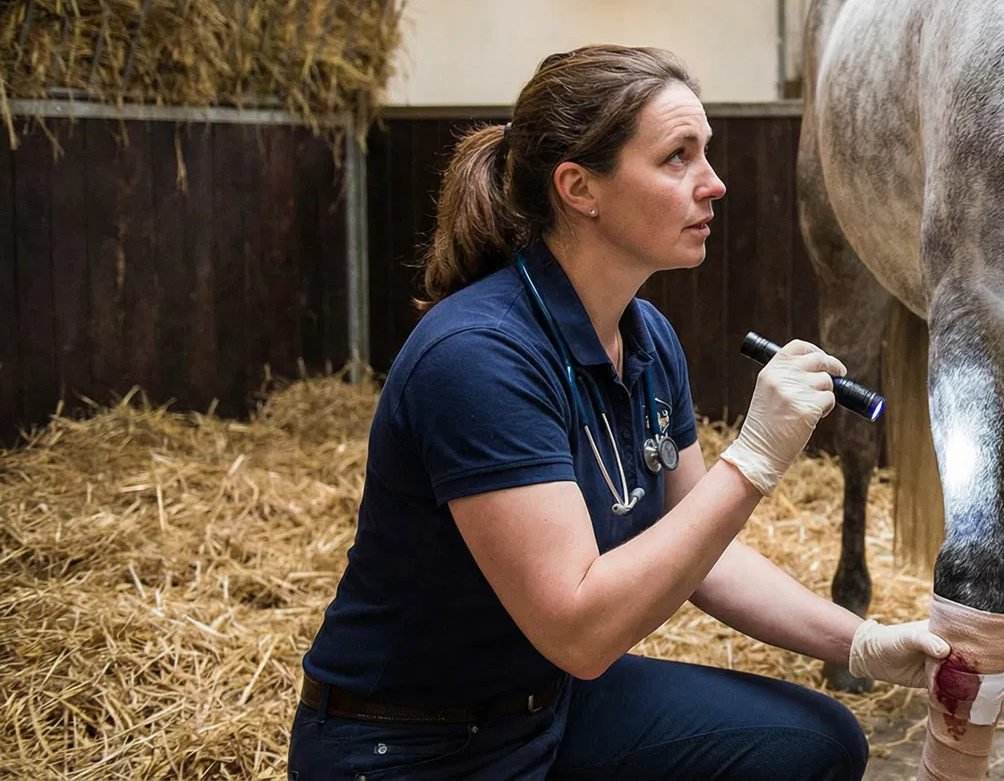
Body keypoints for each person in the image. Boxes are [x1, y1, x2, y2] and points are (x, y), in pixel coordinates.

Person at [291, 45, 947, 780]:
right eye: (678, 157)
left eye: (708, 154)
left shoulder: (645, 334)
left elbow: (704, 553)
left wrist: (859, 643)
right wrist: (754, 459)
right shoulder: (478, 356)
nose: (715, 184)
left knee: (816, 740)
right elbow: (580, 630)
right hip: (413, 746)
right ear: (579, 187)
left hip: (547, 706)